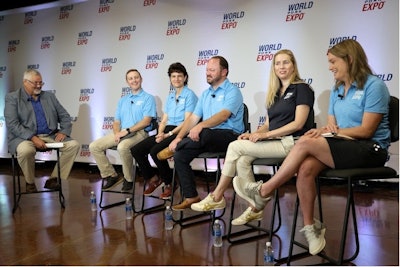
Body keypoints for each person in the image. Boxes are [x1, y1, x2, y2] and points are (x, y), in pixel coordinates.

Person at [232, 39, 391, 256]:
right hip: (344, 145)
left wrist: (331, 132)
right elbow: (333, 126)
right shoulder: (337, 90)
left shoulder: (374, 86)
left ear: (350, 59)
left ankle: (265, 190)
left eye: (333, 61)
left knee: (304, 142)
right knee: (306, 167)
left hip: (370, 149)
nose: (330, 67)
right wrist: (324, 130)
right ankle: (311, 227)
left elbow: (366, 131)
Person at [191, 49, 315, 225]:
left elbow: (298, 124)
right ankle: (255, 208)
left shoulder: (302, 88)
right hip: (275, 141)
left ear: (293, 65)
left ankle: (217, 196)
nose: (281, 66)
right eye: (277, 63)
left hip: (293, 143)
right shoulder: (276, 91)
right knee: (242, 160)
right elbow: (269, 123)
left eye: (285, 62)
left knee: (234, 147)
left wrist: (265, 135)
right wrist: (255, 134)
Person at [168, 55, 245, 211]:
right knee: (179, 156)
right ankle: (191, 196)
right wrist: (178, 138)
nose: (208, 73)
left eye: (212, 70)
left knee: (205, 133)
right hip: (206, 138)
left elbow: (224, 115)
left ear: (224, 72)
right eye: (207, 70)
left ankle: (180, 145)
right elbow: (192, 120)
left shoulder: (233, 91)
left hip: (229, 137)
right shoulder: (205, 94)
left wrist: (200, 126)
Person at [4, 69, 80, 192]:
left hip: (50, 135)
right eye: (35, 83)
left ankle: (54, 179)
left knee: (73, 145)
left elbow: (65, 116)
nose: (39, 86)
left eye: (41, 83)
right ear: (25, 82)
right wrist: (32, 137)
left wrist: (63, 131)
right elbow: (13, 124)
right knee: (25, 150)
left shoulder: (49, 96)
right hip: (24, 138)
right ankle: (30, 182)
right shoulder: (12, 98)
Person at [130, 62, 198, 199]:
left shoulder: (190, 95)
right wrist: (160, 132)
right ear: (170, 78)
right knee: (136, 149)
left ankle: (170, 183)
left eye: (179, 76)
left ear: (185, 78)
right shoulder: (171, 96)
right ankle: (154, 178)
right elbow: (165, 119)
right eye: (173, 76)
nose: (176, 79)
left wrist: (169, 134)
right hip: (167, 130)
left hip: (181, 131)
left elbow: (187, 122)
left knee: (155, 151)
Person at [89, 69, 157, 192]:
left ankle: (129, 179)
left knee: (122, 147)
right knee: (94, 146)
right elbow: (116, 122)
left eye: (136, 77)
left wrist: (126, 131)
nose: (134, 80)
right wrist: (117, 134)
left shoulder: (148, 98)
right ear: (127, 82)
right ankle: (111, 175)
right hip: (121, 133)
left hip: (140, 133)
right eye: (130, 78)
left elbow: (146, 121)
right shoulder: (123, 100)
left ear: (141, 79)